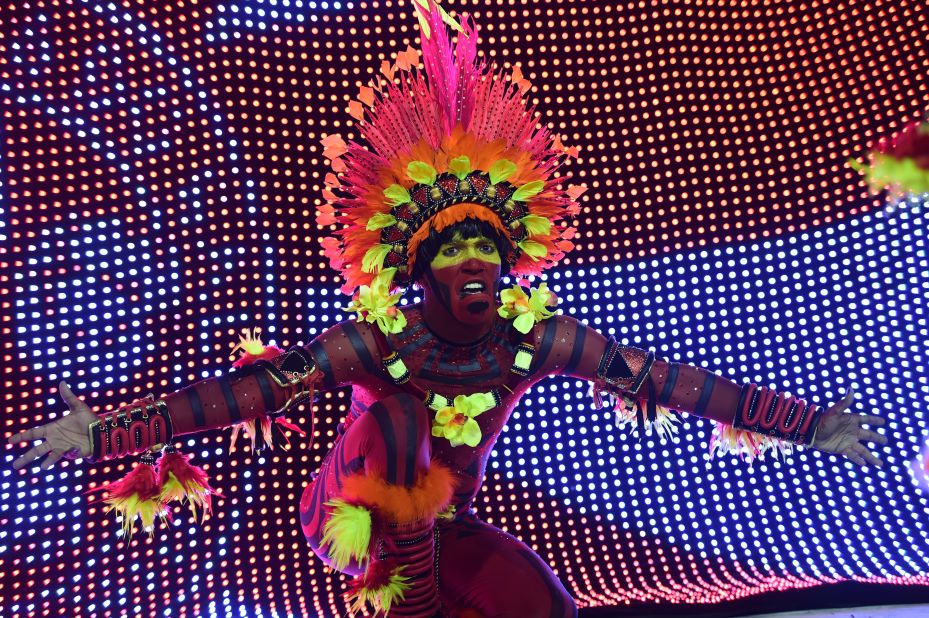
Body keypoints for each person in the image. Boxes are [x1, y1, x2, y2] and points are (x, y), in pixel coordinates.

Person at [9, 3, 887, 617]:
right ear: (418, 270)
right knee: (395, 420)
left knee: (537, 605)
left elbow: (679, 386)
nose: (474, 266)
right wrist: (102, 436)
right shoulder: (374, 340)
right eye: (452, 252)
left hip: (442, 530)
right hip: (349, 519)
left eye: (487, 253)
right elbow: (242, 398)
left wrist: (812, 427)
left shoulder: (539, 339)